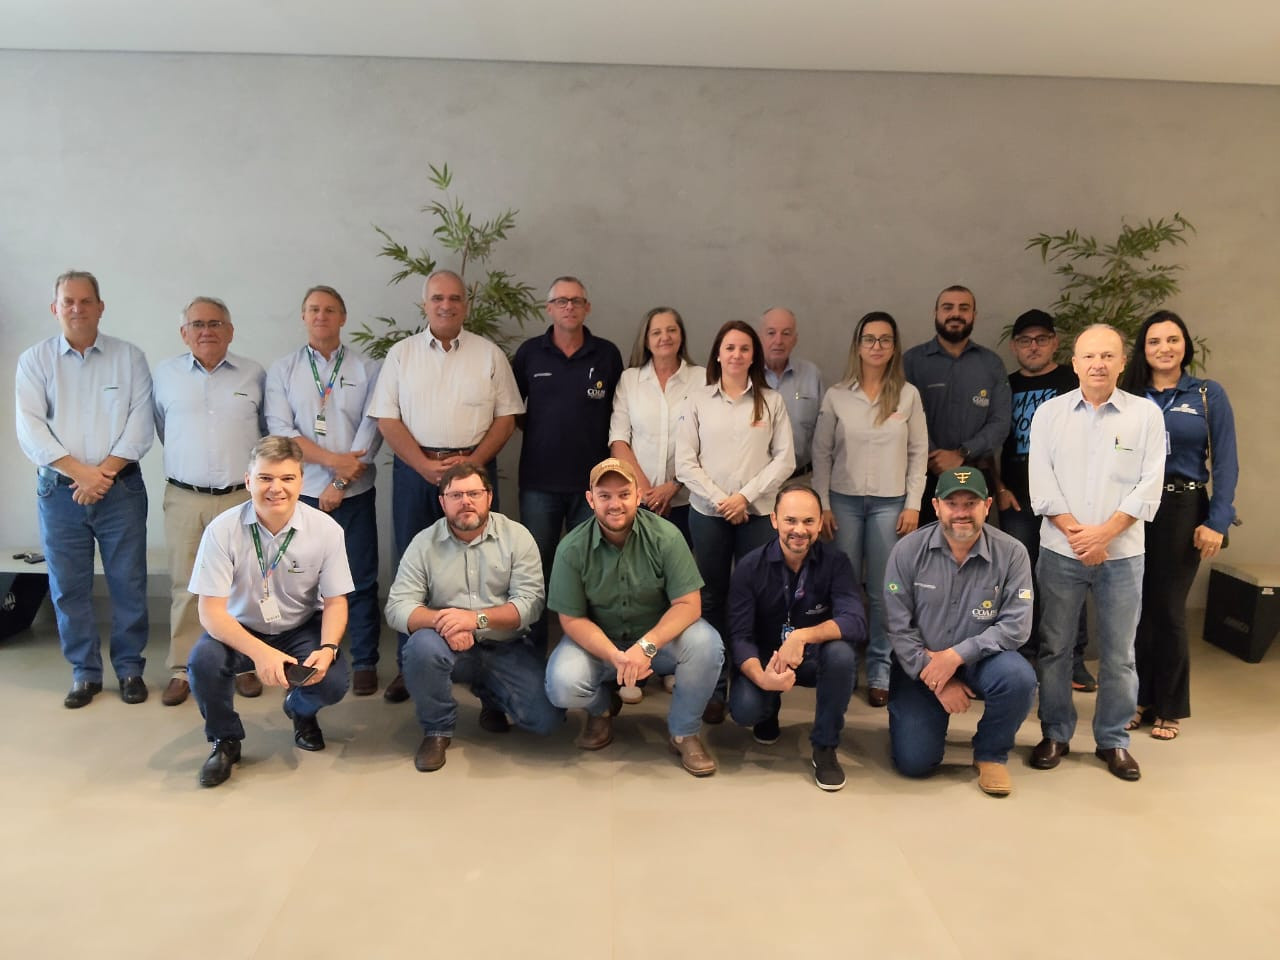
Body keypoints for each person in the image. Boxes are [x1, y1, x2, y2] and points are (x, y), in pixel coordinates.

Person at [369, 270, 523, 701]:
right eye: (438, 298)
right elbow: (387, 419)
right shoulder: (401, 355)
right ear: (425, 304)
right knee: (411, 563)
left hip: (474, 470)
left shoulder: (489, 355)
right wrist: (422, 465)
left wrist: (472, 465)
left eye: (455, 298)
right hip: (416, 470)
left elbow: (507, 417)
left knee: (486, 563)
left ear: (466, 305)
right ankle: (410, 665)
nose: (446, 305)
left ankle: (485, 668)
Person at [1028, 324, 1165, 782]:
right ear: (1075, 364)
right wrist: (1079, 536)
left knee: (1119, 653)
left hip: (1122, 555)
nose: (1098, 364)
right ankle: (1055, 733)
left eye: (1108, 356)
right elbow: (1042, 484)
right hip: (1060, 551)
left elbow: (1149, 485)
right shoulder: (1049, 414)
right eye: (1089, 356)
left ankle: (1113, 739)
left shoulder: (1145, 416)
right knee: (1055, 648)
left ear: (1123, 363)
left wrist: (1104, 534)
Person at [15, 270, 154, 708]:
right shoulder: (35, 361)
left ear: (100, 306)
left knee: (128, 583)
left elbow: (140, 424)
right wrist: (81, 473)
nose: (77, 308)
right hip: (59, 492)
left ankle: (130, 669)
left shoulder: (129, 357)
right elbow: (30, 429)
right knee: (68, 587)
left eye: (85, 300)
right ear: (55, 308)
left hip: (121, 490)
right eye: (68, 301)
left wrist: (102, 474)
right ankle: (84, 673)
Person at [187, 437, 353, 788]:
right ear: (249, 481)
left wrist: (328, 649)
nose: (276, 488)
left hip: (300, 627)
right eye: (265, 478)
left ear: (301, 481)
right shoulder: (222, 531)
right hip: (241, 629)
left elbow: (336, 601)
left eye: (287, 478)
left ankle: (299, 709)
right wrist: (261, 654)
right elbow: (211, 612)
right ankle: (225, 739)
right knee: (203, 663)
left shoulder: (326, 530)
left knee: (334, 681)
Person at [543, 458, 723, 776]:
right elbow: (571, 619)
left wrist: (646, 647)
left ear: (638, 495)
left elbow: (689, 604)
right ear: (590, 500)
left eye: (624, 494)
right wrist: (614, 655)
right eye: (605, 496)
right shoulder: (571, 548)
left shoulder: (667, 537)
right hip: (602, 644)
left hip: (657, 642)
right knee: (561, 685)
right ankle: (602, 709)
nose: (615, 504)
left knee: (707, 644)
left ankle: (684, 732)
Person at [386, 463, 561, 771]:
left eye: (474, 493)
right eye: (455, 495)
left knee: (547, 720)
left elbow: (531, 604)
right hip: (448, 644)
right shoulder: (424, 543)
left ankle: (491, 695)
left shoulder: (517, 537)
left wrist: (475, 620)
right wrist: (446, 622)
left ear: (489, 497)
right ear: (442, 502)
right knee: (421, 648)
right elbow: (397, 607)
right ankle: (437, 729)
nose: (465, 501)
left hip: (506, 645)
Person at [1119, 310, 1239, 741]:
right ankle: (1138, 698)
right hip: (1133, 509)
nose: (1164, 348)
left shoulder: (1206, 394)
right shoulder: (1129, 395)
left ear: (1185, 344)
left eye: (1172, 340)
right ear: (1143, 349)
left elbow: (1226, 462)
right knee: (1136, 608)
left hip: (1183, 507)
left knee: (1168, 608)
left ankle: (1170, 706)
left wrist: (1217, 521)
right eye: (1154, 341)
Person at [883, 468, 1037, 796]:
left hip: (983, 660)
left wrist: (954, 657)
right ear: (936, 506)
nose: (961, 512)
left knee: (1019, 679)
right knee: (915, 763)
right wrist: (937, 677)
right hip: (921, 664)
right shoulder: (907, 551)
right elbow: (897, 626)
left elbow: (1016, 626)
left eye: (971, 503)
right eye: (952, 503)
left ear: (987, 506)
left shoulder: (1012, 553)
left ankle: (991, 754)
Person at [266, 285, 384, 696]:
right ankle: (311, 659)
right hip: (300, 496)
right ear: (303, 316)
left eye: (330, 310)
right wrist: (335, 466)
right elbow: (283, 433)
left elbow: (372, 430)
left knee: (361, 580)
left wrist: (340, 483)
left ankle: (365, 660)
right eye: (314, 309)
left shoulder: (367, 368)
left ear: (343, 317)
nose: (321, 316)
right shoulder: (283, 370)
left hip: (354, 494)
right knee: (301, 583)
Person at [676, 320, 795, 723]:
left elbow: (785, 459)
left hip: (756, 515)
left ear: (753, 355)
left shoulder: (771, 402)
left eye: (745, 348)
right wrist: (721, 500)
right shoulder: (697, 400)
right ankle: (712, 688)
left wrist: (743, 497)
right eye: (730, 347)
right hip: (708, 515)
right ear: (718, 353)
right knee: (710, 599)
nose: (737, 355)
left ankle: (755, 685)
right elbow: (685, 462)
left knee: (757, 600)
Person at [153, 296, 266, 705]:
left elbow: (266, 432)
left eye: (215, 323)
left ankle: (245, 663)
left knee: (245, 584)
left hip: (241, 497)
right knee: (187, 585)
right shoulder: (165, 375)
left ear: (230, 331)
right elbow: (163, 428)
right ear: (184, 333)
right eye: (198, 324)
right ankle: (183, 669)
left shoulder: (254, 374)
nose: (206, 331)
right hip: (185, 496)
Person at [812, 311, 926, 707]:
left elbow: (919, 454)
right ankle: (840, 666)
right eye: (869, 339)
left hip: (890, 504)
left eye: (885, 339)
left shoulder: (908, 395)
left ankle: (880, 668)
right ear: (857, 346)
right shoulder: (837, 395)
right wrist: (823, 504)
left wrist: (913, 504)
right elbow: (821, 454)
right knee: (842, 589)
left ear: (894, 347)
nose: (877, 346)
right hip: (842, 502)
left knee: (884, 592)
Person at [727, 482, 864, 791]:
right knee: (745, 710)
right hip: (767, 660)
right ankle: (768, 708)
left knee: (841, 655)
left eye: (808, 521)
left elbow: (855, 621)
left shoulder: (836, 563)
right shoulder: (750, 567)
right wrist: (763, 679)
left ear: (820, 522)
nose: (799, 530)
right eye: (790, 520)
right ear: (774, 520)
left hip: (812, 657)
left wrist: (802, 636)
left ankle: (825, 746)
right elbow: (739, 637)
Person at [512, 276, 624, 650]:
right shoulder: (530, 353)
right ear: (549, 308)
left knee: (592, 569)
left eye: (576, 301)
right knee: (535, 569)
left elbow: (620, 415)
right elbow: (512, 410)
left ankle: (591, 652)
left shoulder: (607, 355)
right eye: (561, 301)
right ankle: (532, 653)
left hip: (593, 487)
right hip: (539, 483)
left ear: (587, 307)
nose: (569, 307)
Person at [994, 309, 1095, 692]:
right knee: (1023, 582)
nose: (1033, 347)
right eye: (1025, 340)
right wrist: (1000, 488)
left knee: (1068, 580)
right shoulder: (1006, 386)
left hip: (1066, 504)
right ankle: (1026, 654)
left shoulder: (1073, 382)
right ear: (1014, 346)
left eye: (1041, 339)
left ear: (1054, 342)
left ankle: (1073, 660)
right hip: (1018, 502)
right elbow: (994, 442)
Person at [903, 285, 1011, 524]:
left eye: (964, 308)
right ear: (935, 313)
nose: (955, 314)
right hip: (922, 478)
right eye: (947, 307)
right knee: (925, 544)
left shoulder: (991, 364)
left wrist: (962, 453)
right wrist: (934, 457)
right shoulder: (912, 362)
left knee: (970, 542)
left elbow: (1001, 422)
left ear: (974, 315)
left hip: (977, 474)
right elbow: (902, 416)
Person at [609, 306, 705, 543]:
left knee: (683, 564)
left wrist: (673, 486)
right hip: (639, 499)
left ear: (681, 335)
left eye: (671, 330)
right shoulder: (630, 380)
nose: (665, 337)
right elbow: (619, 440)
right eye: (656, 332)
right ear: (646, 340)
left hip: (689, 499)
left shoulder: (702, 379)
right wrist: (648, 494)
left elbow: (709, 442)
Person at [759, 307, 824, 475]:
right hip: (755, 482)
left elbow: (823, 437)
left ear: (795, 339)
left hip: (801, 478)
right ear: (760, 337)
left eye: (786, 333)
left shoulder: (811, 374)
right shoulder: (745, 375)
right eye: (771, 333)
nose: (778, 340)